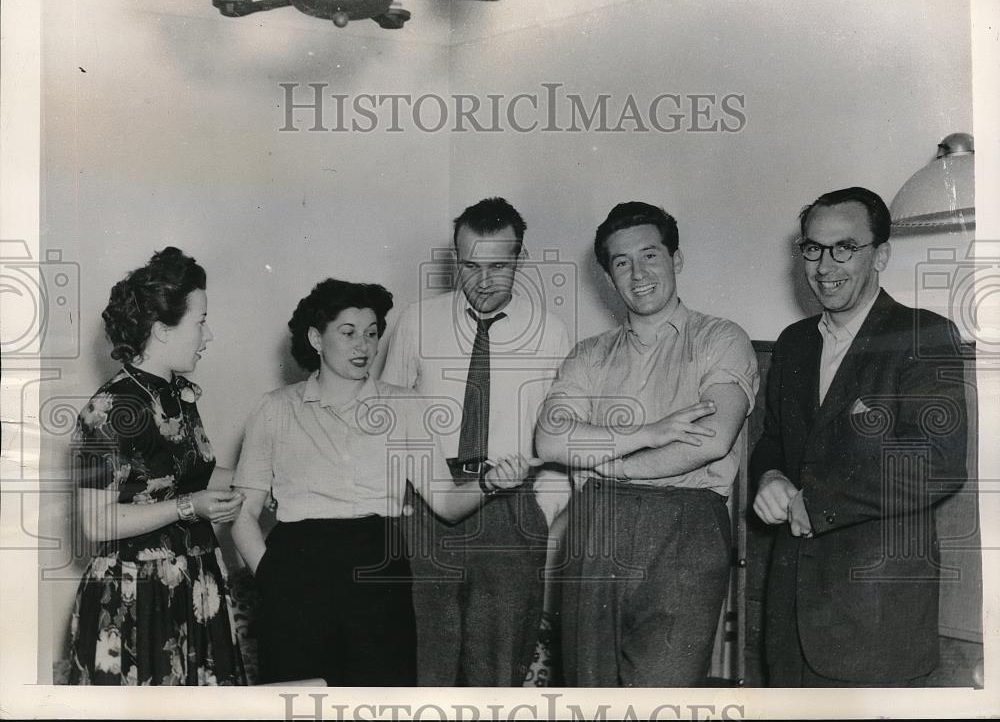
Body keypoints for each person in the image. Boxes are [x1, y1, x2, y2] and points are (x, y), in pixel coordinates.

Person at [230, 278, 534, 687]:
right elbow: (244, 514)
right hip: (295, 570)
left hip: (378, 568)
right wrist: (272, 577)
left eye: (372, 334)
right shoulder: (275, 409)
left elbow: (444, 501)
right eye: (349, 333)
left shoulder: (405, 405)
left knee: (379, 703)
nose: (364, 346)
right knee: (297, 707)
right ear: (316, 338)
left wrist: (491, 484)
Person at [750, 187, 968, 687]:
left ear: (881, 255)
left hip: (875, 621)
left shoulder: (924, 336)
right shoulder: (793, 342)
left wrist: (817, 502)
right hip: (790, 618)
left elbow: (936, 462)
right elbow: (772, 440)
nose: (825, 266)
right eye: (812, 248)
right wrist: (771, 476)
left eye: (844, 247)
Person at [536, 201, 758, 687]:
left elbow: (711, 440)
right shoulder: (589, 354)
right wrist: (649, 434)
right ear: (608, 276)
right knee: (587, 690)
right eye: (621, 262)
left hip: (686, 524)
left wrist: (613, 465)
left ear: (675, 260)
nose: (638, 273)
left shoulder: (722, 338)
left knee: (665, 695)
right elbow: (551, 440)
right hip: (597, 524)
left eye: (650, 255)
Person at [381, 197, 571, 686]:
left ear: (520, 261)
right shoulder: (416, 322)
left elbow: (558, 435)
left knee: (498, 667)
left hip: (511, 509)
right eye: (470, 265)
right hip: (428, 505)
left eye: (498, 266)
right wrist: (395, 506)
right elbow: (390, 422)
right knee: (427, 664)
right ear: (454, 259)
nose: (483, 281)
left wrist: (541, 511)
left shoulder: (551, 334)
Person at [68, 247, 246, 685]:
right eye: (201, 321)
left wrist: (264, 480)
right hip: (136, 596)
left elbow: (190, 478)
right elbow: (95, 522)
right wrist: (190, 508)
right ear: (163, 329)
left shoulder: (178, 395)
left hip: (195, 583)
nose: (209, 336)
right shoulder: (108, 409)